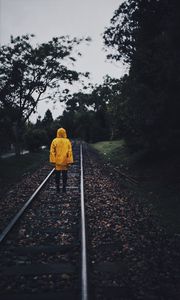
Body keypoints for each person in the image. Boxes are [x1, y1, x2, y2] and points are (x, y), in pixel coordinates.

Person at [49, 127, 73, 193]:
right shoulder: (67, 141)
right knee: (64, 175)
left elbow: (52, 151)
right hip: (65, 162)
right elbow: (69, 152)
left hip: (57, 162)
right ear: (65, 133)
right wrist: (69, 161)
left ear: (58, 133)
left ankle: (57, 188)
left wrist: (53, 160)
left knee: (57, 175)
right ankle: (64, 188)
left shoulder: (54, 141)